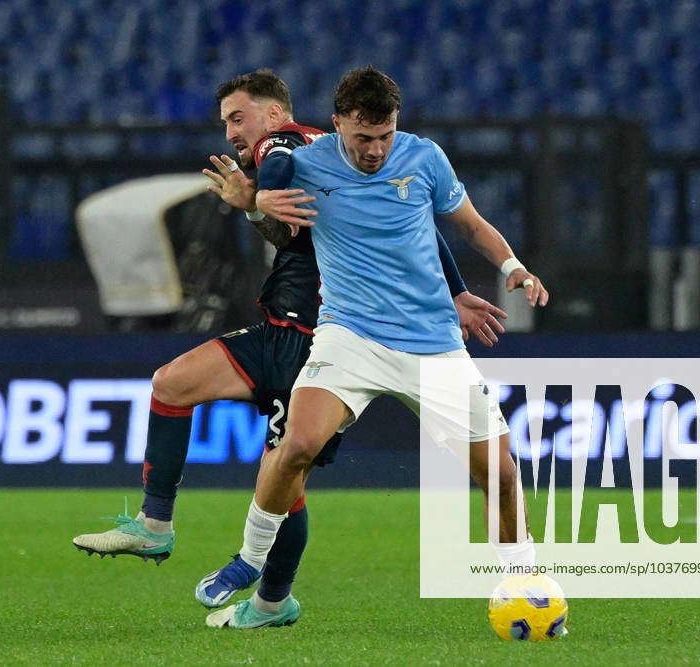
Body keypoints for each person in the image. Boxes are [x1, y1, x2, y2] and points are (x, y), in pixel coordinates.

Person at [71, 69, 508, 612]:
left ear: (275, 114)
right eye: (225, 121)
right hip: (283, 324)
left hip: (326, 336)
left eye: (238, 118)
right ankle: (155, 522)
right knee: (173, 383)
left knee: (285, 470)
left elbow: (397, 217)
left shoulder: (293, 145)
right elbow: (403, 226)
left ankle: (273, 599)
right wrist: (256, 204)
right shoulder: (311, 163)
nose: (231, 131)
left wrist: (259, 197)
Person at [204, 67, 549, 630]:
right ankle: (249, 558)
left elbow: (469, 225)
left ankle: (521, 579)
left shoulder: (424, 158)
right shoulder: (308, 163)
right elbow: (273, 180)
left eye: (385, 135)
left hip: (433, 345)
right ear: (337, 124)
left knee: (502, 474)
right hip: (350, 337)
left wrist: (512, 266)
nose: (376, 149)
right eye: (364, 138)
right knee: (297, 446)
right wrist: (257, 199)